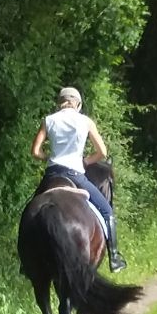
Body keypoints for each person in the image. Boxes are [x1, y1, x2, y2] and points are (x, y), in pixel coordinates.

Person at [31, 86, 128, 272]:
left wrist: (48, 157)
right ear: (78, 104)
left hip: (51, 175)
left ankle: (26, 259)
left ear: (59, 103)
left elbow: (35, 151)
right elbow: (102, 152)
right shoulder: (85, 121)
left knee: (32, 210)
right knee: (107, 211)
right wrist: (85, 161)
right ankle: (114, 258)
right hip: (75, 175)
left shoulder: (48, 120)